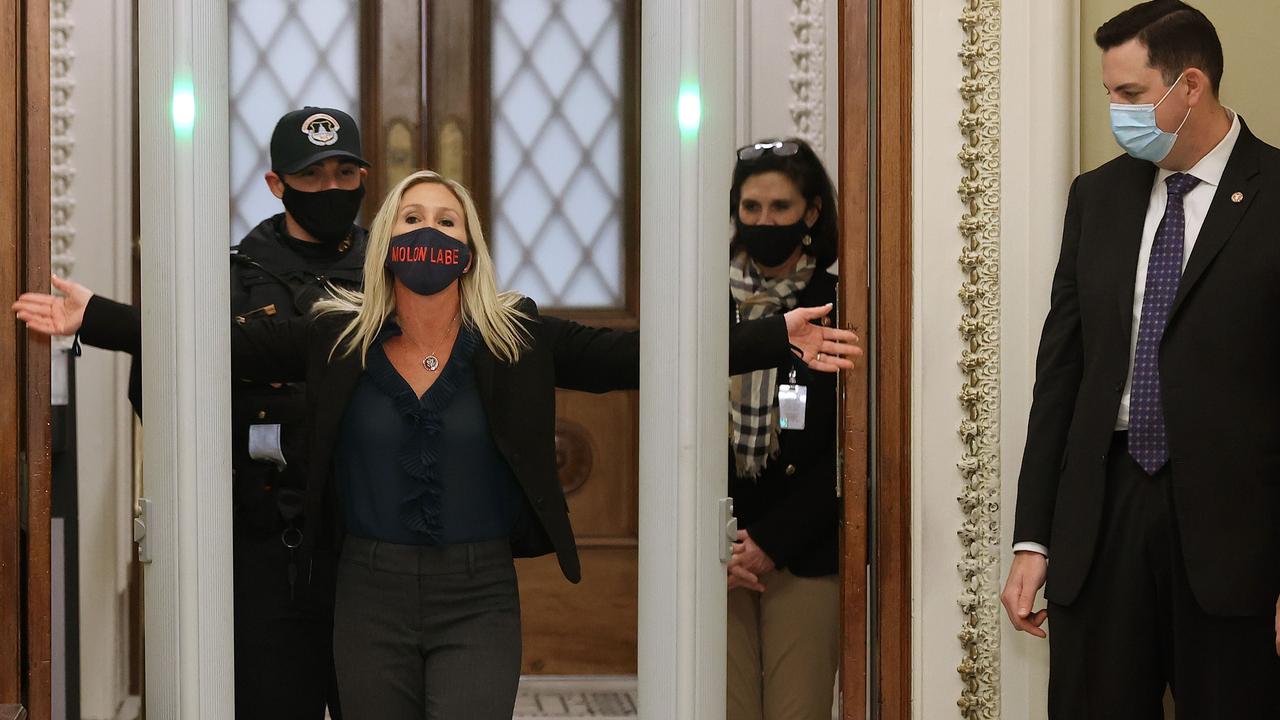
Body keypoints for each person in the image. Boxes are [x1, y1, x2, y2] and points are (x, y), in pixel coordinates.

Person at [227, 169, 861, 719]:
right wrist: (144, 320)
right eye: (411, 218)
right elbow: (216, 345)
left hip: (475, 596)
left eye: (447, 221)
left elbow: (635, 358)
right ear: (384, 244)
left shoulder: (517, 335)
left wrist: (773, 337)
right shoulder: (336, 337)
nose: (428, 232)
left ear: (469, 250)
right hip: (366, 592)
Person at [13, 106, 371, 720]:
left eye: (345, 173)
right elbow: (173, 394)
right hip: (267, 547)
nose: (331, 189)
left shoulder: (394, 275)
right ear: (276, 184)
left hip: (373, 550)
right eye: (312, 176)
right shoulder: (227, 279)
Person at [1000, 2, 1280, 717]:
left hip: (1236, 537)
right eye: (1107, 94)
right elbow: (1060, 377)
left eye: (1129, 94)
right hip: (1106, 514)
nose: (1116, 111)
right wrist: (1033, 537)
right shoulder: (1098, 197)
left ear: (1191, 86)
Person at [722, 138, 841, 720]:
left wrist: (771, 542)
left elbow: (852, 449)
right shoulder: (702, 301)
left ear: (811, 212)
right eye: (751, 208)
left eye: (780, 208)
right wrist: (723, 542)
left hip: (802, 547)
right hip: (717, 551)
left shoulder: (840, 304)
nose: (764, 222)